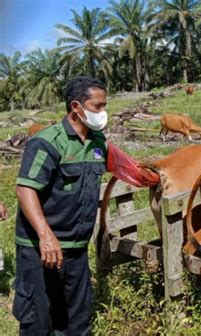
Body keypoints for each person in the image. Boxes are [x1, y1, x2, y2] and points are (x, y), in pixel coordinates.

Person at [13, 76, 108, 335]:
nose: (103, 112)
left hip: (76, 249)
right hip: (40, 248)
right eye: (97, 106)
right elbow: (26, 188)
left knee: (76, 320)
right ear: (76, 107)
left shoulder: (98, 142)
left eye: (104, 105)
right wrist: (45, 236)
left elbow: (119, 163)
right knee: (38, 320)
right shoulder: (47, 142)